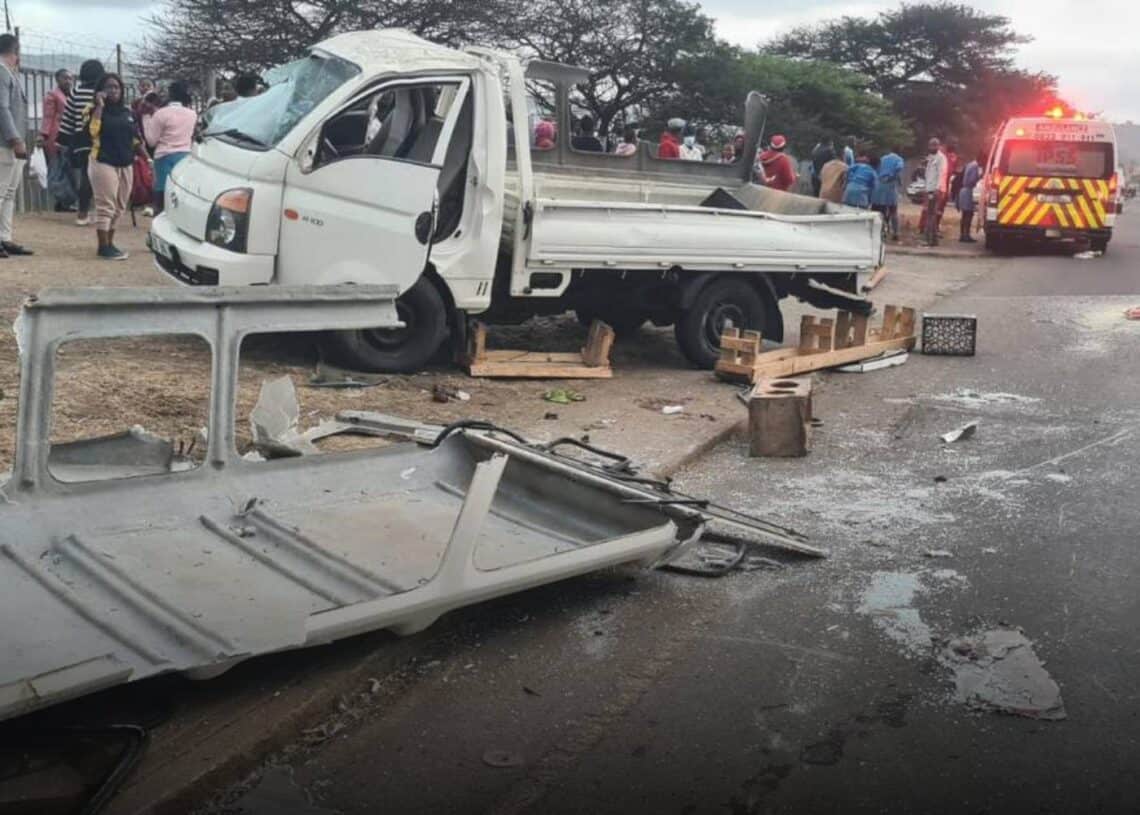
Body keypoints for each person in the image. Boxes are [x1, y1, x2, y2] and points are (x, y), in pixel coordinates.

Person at [86, 72, 145, 260]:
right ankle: (103, 246)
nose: (113, 91)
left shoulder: (127, 113)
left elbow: (135, 137)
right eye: (109, 87)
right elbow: (92, 131)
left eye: (117, 87)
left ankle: (110, 242)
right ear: (101, 91)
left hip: (125, 162)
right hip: (103, 161)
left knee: (120, 206)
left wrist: (146, 158)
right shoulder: (92, 110)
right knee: (106, 205)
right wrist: (99, 106)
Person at [59, 59, 104, 226]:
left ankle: (82, 213)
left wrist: (63, 139)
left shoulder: (76, 92)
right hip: (102, 139)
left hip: (82, 140)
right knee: (103, 177)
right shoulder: (102, 92)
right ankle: (102, 211)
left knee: (86, 175)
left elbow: (68, 118)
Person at [144, 80, 197, 215]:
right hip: (185, 157)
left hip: (164, 157)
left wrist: (146, 119)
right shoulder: (192, 114)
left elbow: (151, 141)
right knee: (181, 196)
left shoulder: (161, 114)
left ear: (170, 94)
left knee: (162, 198)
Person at [0, 34, 30, 258]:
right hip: (5, 143)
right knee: (1, 192)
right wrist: (15, 139)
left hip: (11, 144)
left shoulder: (9, 73)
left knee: (9, 193)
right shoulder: (1, 72)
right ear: (15, 51)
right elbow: (2, 108)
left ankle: (5, 237)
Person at [41, 68, 77, 211]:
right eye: (65, 78)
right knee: (58, 169)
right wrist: (44, 134)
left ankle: (64, 202)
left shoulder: (71, 95)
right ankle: (63, 201)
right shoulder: (53, 95)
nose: (68, 81)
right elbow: (48, 116)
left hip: (69, 137)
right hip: (56, 137)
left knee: (68, 170)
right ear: (57, 79)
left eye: (70, 78)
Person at [870, 146, 904, 240]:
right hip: (890, 187)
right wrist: (892, 176)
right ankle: (895, 233)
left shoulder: (883, 158)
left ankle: (881, 232)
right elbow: (899, 167)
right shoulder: (899, 159)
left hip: (879, 186)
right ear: (900, 152)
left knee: (880, 210)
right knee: (893, 210)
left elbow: (876, 169)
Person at [922, 137, 949, 246]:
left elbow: (942, 174)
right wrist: (926, 189)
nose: (931, 147)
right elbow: (928, 175)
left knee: (932, 215)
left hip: (936, 190)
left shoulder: (941, 158)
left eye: (934, 145)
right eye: (930, 145)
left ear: (938, 146)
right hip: (930, 189)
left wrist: (938, 189)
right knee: (929, 214)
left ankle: (929, 239)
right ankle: (932, 239)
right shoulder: (930, 158)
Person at [957, 150, 984, 243]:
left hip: (963, 191)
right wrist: (979, 177)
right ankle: (966, 235)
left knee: (964, 214)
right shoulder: (975, 166)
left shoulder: (970, 164)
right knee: (968, 214)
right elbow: (972, 180)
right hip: (968, 191)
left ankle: (962, 234)